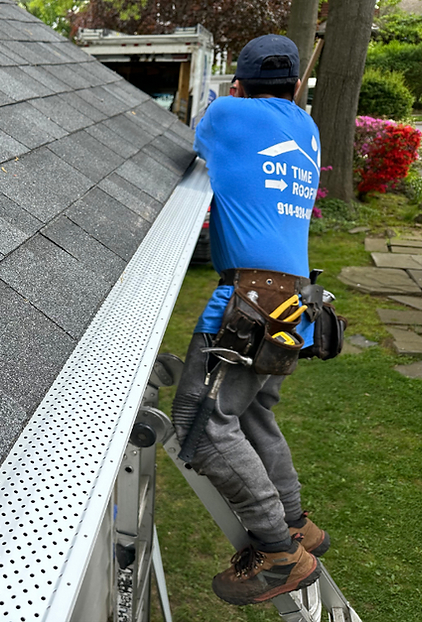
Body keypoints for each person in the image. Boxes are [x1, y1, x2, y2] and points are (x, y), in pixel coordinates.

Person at [172, 34, 330, 606]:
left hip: (249, 307)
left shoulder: (226, 114)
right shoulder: (306, 129)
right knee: (253, 414)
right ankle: (295, 521)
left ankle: (279, 554)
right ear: (294, 86)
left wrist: (232, 101)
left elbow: (201, 145)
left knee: (203, 429)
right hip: (296, 303)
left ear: (237, 82)